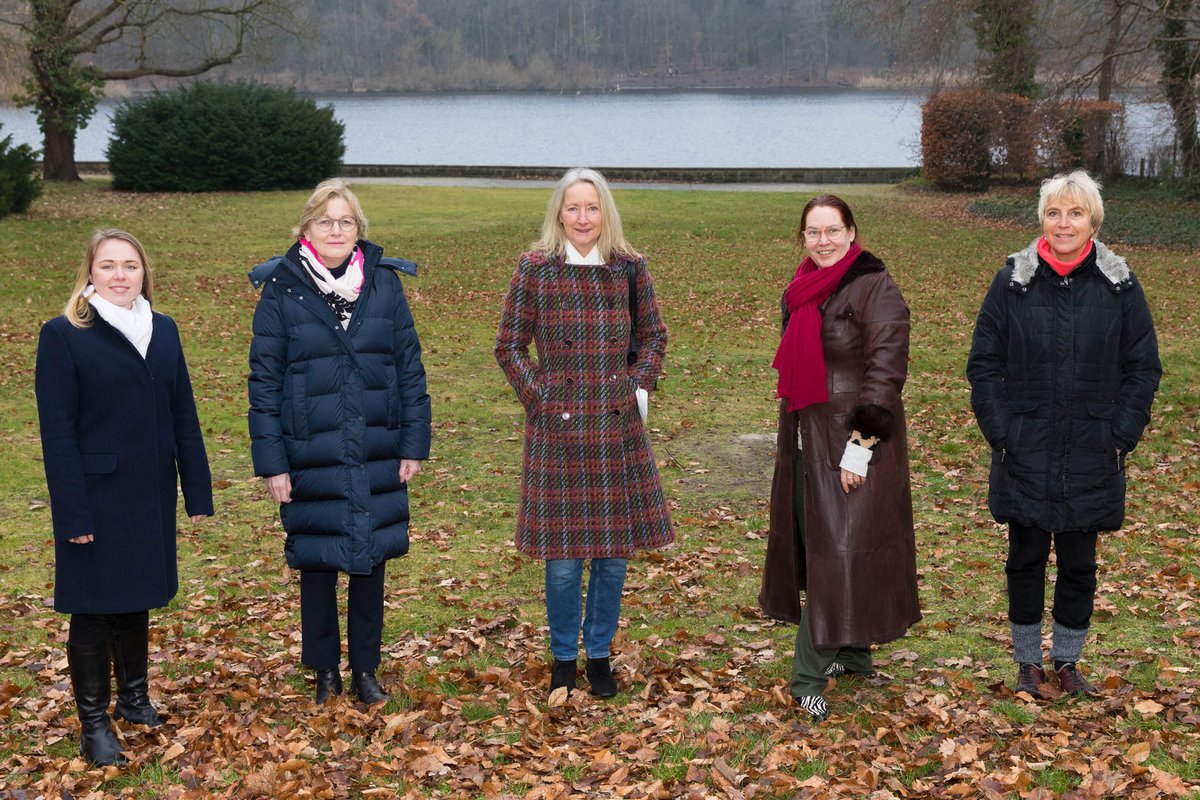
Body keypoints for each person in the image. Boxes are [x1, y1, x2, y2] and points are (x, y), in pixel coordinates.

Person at [967, 170, 1160, 699]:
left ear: (1093, 220)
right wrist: (1002, 432)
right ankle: (1028, 663)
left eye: (1075, 213)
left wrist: (1121, 434)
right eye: (1054, 212)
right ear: (1042, 220)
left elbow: (1143, 367)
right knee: (1025, 559)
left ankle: (1069, 662)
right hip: (1024, 448)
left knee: (1079, 565)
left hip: (1093, 449)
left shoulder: (1120, 286)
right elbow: (984, 363)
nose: (1064, 223)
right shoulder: (1012, 282)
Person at [248, 178, 431, 706]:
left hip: (376, 441)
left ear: (358, 229)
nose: (335, 229)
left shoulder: (384, 284)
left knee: (371, 559)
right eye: (325, 221)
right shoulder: (282, 288)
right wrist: (273, 463)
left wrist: (413, 443)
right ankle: (325, 670)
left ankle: (366, 669)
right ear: (307, 227)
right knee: (318, 559)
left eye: (345, 221)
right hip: (310, 447)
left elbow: (409, 368)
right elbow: (264, 382)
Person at [35, 229, 213, 766]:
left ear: (144, 272)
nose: (119, 275)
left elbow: (183, 412)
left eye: (130, 265)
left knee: (136, 596)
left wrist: (196, 489)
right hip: (95, 496)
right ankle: (94, 723)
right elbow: (58, 434)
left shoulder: (163, 328)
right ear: (89, 273)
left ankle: (134, 699)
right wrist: (72, 513)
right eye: (108, 265)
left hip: (149, 491)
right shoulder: (64, 334)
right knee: (93, 607)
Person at [495, 167, 674, 697]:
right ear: (558, 213)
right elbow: (508, 346)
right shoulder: (536, 269)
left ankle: (599, 655)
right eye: (572, 207)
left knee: (612, 559)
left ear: (605, 212)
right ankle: (562, 658)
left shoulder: (629, 268)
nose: (582, 217)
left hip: (616, 428)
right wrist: (541, 398)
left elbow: (654, 336)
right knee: (564, 563)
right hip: (559, 430)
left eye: (591, 207)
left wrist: (636, 387)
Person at [759, 195, 921, 722]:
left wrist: (861, 446)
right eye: (813, 231)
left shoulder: (877, 288)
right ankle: (853, 652)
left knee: (839, 554)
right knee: (823, 547)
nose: (823, 241)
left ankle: (807, 677)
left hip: (854, 442)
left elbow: (886, 371)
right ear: (803, 237)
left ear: (852, 232)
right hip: (806, 438)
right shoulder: (802, 288)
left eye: (833, 230)